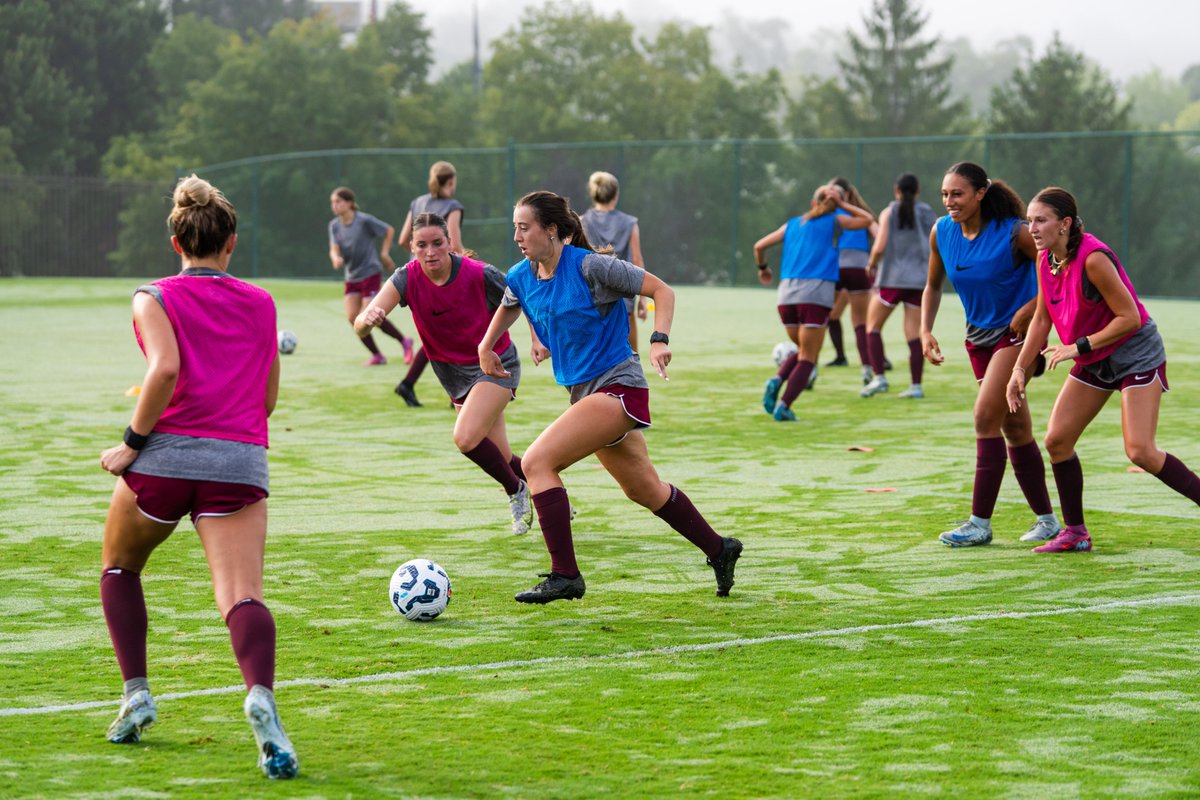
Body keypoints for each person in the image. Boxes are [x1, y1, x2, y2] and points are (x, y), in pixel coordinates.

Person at [98, 175, 298, 779]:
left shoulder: (152, 296)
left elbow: (164, 370)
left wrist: (130, 445)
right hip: (238, 464)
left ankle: (136, 695)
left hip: (162, 461)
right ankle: (260, 697)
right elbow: (267, 402)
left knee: (119, 567)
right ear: (230, 242)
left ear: (175, 241)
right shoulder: (261, 302)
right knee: (242, 595)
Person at [477, 190, 742, 603]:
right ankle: (720, 549)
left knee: (536, 462)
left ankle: (566, 575)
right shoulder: (521, 275)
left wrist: (658, 339)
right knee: (644, 490)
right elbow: (512, 302)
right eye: (515, 228)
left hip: (619, 388)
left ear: (552, 230)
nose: (517, 236)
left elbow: (662, 291)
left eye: (524, 228)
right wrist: (486, 345)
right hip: (584, 394)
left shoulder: (592, 266)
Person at [1007, 187, 1200, 552]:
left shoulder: (1093, 259)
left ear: (1064, 224)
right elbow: (1042, 318)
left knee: (1140, 451)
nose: (1032, 228)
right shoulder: (1044, 258)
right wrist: (1019, 369)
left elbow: (1130, 317)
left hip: (1135, 354)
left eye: (1040, 220)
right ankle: (1075, 533)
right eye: (1029, 220)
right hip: (1094, 358)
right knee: (1057, 440)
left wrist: (1077, 347)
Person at [354, 212, 534, 535]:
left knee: (465, 437)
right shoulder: (406, 278)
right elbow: (359, 324)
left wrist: (537, 339)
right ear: (412, 248)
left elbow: (525, 298)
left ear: (450, 243)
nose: (430, 252)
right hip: (454, 377)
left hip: (495, 364)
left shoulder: (479, 273)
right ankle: (551, 493)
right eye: (421, 245)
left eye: (437, 243)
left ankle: (516, 489)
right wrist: (368, 321)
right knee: (501, 454)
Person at [921, 161, 1061, 547]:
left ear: (981, 193)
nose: (949, 201)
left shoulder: (1015, 232)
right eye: (945, 194)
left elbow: (1056, 273)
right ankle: (1048, 520)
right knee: (1014, 428)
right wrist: (924, 329)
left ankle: (979, 523)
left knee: (985, 416)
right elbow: (933, 285)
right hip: (978, 341)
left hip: (1018, 338)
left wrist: (1030, 308)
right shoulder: (941, 231)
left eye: (958, 194)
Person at [755, 185, 874, 422]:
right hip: (815, 294)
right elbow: (867, 219)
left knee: (803, 350)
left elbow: (759, 246)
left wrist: (763, 268)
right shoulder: (836, 221)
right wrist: (842, 205)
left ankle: (777, 380)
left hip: (786, 295)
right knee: (809, 356)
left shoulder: (792, 224)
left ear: (813, 203)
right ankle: (784, 406)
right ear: (836, 205)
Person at [392, 162, 467, 407]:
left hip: (417, 277)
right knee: (454, 332)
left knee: (436, 334)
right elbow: (454, 245)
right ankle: (460, 390)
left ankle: (409, 384)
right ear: (451, 181)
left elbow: (403, 239)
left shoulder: (417, 202)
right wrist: (470, 265)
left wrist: (421, 254)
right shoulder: (453, 206)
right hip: (443, 278)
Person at [861, 173, 937, 399]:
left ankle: (879, 378)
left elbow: (880, 245)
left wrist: (871, 264)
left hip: (892, 280)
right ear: (918, 191)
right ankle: (916, 386)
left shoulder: (889, 212)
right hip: (919, 280)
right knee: (914, 333)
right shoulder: (926, 212)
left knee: (872, 327)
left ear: (896, 190)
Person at [328, 186, 413, 367]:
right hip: (352, 277)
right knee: (353, 318)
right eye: (332, 202)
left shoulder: (363, 221)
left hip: (370, 272)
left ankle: (404, 341)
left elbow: (388, 230)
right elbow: (334, 248)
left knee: (370, 314)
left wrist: (384, 253)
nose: (334, 205)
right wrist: (335, 258)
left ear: (349, 203)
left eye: (338, 201)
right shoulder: (334, 226)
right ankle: (377, 355)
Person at [580, 171, 648, 354]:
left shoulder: (582, 222)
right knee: (631, 352)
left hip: (592, 296)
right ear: (616, 195)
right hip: (624, 296)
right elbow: (637, 260)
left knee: (595, 352)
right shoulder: (630, 223)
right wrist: (642, 298)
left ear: (593, 193)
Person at [824, 176, 883, 382]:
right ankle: (867, 367)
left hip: (835, 268)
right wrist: (874, 260)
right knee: (861, 321)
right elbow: (880, 235)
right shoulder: (860, 214)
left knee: (823, 317)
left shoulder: (830, 214)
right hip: (859, 268)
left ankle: (810, 367)